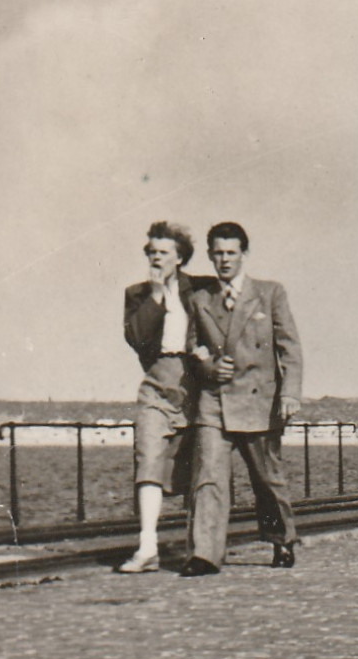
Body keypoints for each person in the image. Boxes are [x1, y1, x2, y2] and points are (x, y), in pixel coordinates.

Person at [181, 222, 302, 576]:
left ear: (244, 255)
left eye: (231, 252)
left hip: (258, 401)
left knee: (267, 479)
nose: (224, 260)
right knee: (208, 477)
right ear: (210, 255)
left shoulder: (269, 293)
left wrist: (291, 392)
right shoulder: (200, 299)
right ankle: (204, 554)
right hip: (214, 401)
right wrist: (207, 366)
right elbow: (192, 346)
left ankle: (281, 540)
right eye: (217, 253)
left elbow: (290, 347)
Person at [116, 221, 207, 573]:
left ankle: (197, 547)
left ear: (179, 257)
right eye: (151, 251)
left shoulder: (200, 288)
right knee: (149, 458)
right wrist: (155, 296)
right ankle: (148, 547)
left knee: (197, 467)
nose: (156, 257)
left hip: (196, 384)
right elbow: (136, 337)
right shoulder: (137, 294)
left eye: (163, 252)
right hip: (156, 382)